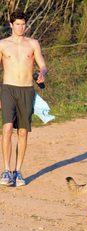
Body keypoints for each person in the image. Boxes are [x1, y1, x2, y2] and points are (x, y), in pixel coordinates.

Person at [0, 10, 48, 186]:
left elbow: (42, 65)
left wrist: (42, 74)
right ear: (11, 25)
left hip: (26, 90)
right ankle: (6, 170)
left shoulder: (33, 44)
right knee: (6, 128)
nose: (20, 27)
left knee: (22, 132)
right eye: (17, 24)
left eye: (23, 24)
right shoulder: (3, 44)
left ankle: (18, 172)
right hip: (7, 89)